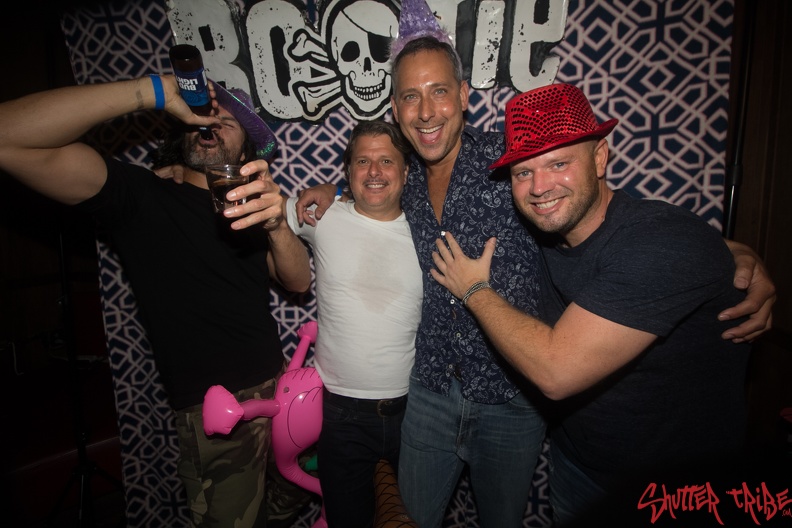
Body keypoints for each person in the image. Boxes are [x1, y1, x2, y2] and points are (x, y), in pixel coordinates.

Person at [293, 36, 775, 527]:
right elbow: (371, 182)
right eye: (410, 97)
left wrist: (729, 251)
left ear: (463, 95)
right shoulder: (404, 177)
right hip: (430, 391)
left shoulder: (513, 161)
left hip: (512, 400)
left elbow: (597, 209)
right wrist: (332, 189)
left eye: (439, 91)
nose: (426, 111)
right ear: (396, 110)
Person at [429, 83, 755, 525]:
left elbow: (556, 370)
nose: (540, 187)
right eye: (523, 172)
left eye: (559, 163)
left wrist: (474, 290)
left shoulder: (663, 240)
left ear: (600, 158)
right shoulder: (544, 232)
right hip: (578, 468)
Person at [0, 75, 312, 528]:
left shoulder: (251, 211)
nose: (211, 123)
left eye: (227, 121)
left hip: (281, 389)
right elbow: (8, 137)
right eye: (201, 115)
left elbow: (298, 281)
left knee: (297, 491)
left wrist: (278, 224)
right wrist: (153, 92)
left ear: (246, 152)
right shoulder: (140, 195)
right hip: (216, 413)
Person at [284, 120, 422, 527]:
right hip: (341, 415)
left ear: (406, 172)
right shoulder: (322, 216)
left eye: (386, 161)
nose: (374, 171)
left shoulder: (427, 229)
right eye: (363, 161)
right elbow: (263, 209)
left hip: (415, 413)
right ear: (348, 171)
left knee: (415, 519)